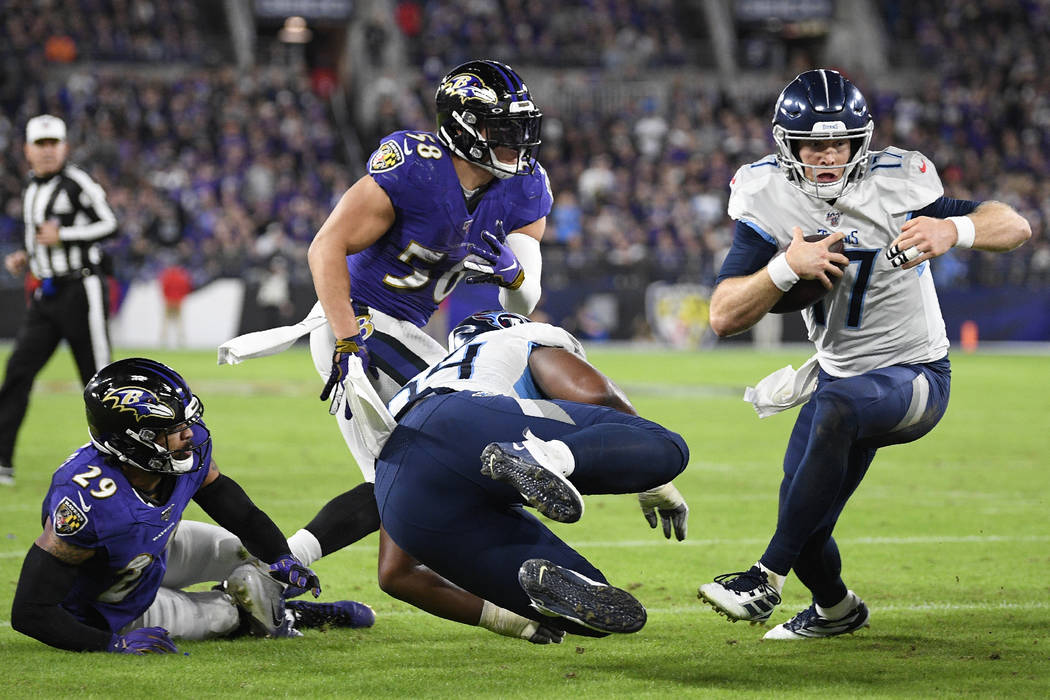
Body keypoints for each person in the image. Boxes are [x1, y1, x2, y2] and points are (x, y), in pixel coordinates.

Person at [697, 69, 1031, 639]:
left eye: (840, 142)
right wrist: (784, 268)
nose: (828, 155)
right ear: (787, 145)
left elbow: (1016, 224)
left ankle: (764, 579)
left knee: (835, 416)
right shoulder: (766, 193)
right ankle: (836, 609)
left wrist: (957, 231)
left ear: (861, 142)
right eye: (813, 144)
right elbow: (724, 315)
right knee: (804, 523)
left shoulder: (901, 179)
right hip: (838, 378)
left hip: (916, 376)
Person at [218, 59, 552, 568]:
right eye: (501, 128)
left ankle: (280, 566)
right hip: (357, 321)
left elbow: (523, 303)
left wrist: (513, 275)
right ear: (464, 124)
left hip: (404, 331)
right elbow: (324, 247)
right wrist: (348, 340)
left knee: (402, 480)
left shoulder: (524, 187)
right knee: (463, 427)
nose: (516, 142)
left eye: (520, 128)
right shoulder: (415, 167)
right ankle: (526, 475)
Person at [9, 358, 372, 654]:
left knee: (258, 561)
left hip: (155, 548)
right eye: (174, 427)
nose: (189, 434)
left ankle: (280, 601)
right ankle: (292, 615)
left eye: (187, 421)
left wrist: (281, 556)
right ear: (135, 440)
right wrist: (110, 643)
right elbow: (30, 612)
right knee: (229, 617)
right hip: (115, 605)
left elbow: (240, 513)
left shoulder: (182, 455)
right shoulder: (87, 500)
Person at [372, 311, 691, 639]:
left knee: (594, 601)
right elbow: (597, 394)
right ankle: (547, 456)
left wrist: (503, 618)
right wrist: (651, 478)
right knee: (668, 446)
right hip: (466, 422)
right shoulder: (511, 339)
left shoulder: (415, 387)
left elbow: (395, 574)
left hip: (398, 489)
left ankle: (531, 602)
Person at [0, 115, 117, 486]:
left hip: (82, 290)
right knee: (18, 371)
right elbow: (41, 238)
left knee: (99, 381)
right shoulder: (31, 187)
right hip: (46, 293)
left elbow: (110, 223)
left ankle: (121, 465)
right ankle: (2, 461)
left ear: (65, 147)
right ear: (28, 149)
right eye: (41, 143)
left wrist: (64, 235)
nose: (48, 150)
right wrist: (27, 256)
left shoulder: (77, 182)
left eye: (54, 143)